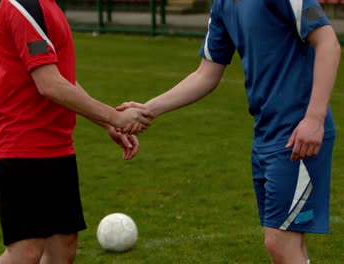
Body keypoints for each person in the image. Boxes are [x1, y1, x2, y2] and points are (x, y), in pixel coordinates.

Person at [117, 1, 340, 263]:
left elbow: (328, 43)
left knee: (279, 242)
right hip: (265, 134)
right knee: (286, 244)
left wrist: (315, 117)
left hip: (298, 133)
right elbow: (206, 74)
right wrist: (147, 109)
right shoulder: (223, 4)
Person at [0, 0, 153, 263]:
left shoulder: (48, 4)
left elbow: (61, 77)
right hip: (21, 145)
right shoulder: (22, 5)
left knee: (64, 248)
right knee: (26, 252)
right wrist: (115, 116)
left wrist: (108, 123)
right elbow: (49, 84)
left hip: (58, 145)